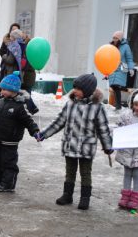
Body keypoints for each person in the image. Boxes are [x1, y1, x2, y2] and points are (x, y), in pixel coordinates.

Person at [37, 73, 113, 210]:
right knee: (70, 172)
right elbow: (59, 122)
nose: (75, 91)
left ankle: (85, 198)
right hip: (70, 145)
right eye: (75, 88)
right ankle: (67, 194)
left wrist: (107, 145)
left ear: (88, 90)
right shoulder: (70, 104)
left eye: (78, 88)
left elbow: (103, 128)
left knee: (85, 173)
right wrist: (44, 134)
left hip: (86, 147)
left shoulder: (97, 107)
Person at [0, 71, 40, 193]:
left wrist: (35, 131)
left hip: (10, 140)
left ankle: (8, 184)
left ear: (13, 90)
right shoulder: (1, 102)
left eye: (4, 89)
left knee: (8, 163)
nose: (2, 92)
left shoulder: (20, 106)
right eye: (1, 89)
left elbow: (28, 121)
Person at [109, 31, 134, 111]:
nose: (114, 39)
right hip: (112, 68)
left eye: (116, 38)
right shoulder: (111, 46)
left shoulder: (126, 46)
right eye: (113, 38)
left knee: (116, 86)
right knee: (113, 86)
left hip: (122, 67)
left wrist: (131, 68)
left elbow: (129, 59)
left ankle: (118, 106)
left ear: (120, 38)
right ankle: (118, 104)